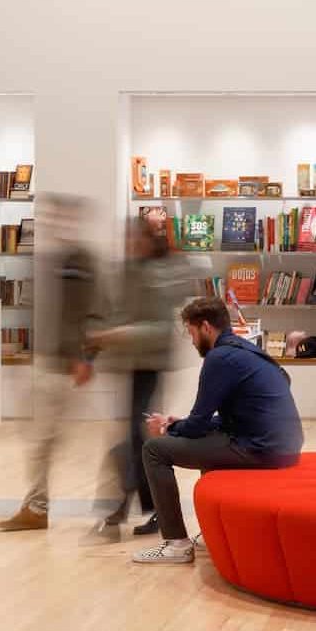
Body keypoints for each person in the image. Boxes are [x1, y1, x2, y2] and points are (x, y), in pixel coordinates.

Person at [133, 298, 303, 565]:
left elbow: (197, 424)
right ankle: (213, 533)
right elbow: (226, 419)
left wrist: (169, 427)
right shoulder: (245, 349)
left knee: (154, 450)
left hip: (262, 449)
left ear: (205, 327)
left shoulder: (219, 358)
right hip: (284, 446)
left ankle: (176, 544)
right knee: (209, 441)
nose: (192, 341)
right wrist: (179, 424)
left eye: (191, 333)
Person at [0, 195, 109, 533]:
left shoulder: (83, 260)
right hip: (44, 361)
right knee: (40, 439)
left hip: (64, 365)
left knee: (45, 439)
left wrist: (86, 357)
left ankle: (40, 507)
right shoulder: (47, 260)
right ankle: (38, 505)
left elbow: (98, 311)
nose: (54, 223)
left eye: (61, 216)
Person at [93, 208, 195, 536]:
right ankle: (144, 508)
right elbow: (116, 311)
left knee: (140, 437)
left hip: (151, 363)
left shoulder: (160, 273)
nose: (130, 244)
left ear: (148, 240)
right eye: (126, 239)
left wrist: (120, 334)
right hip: (128, 363)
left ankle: (129, 507)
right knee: (134, 438)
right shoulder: (129, 271)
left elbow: (161, 328)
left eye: (135, 238)